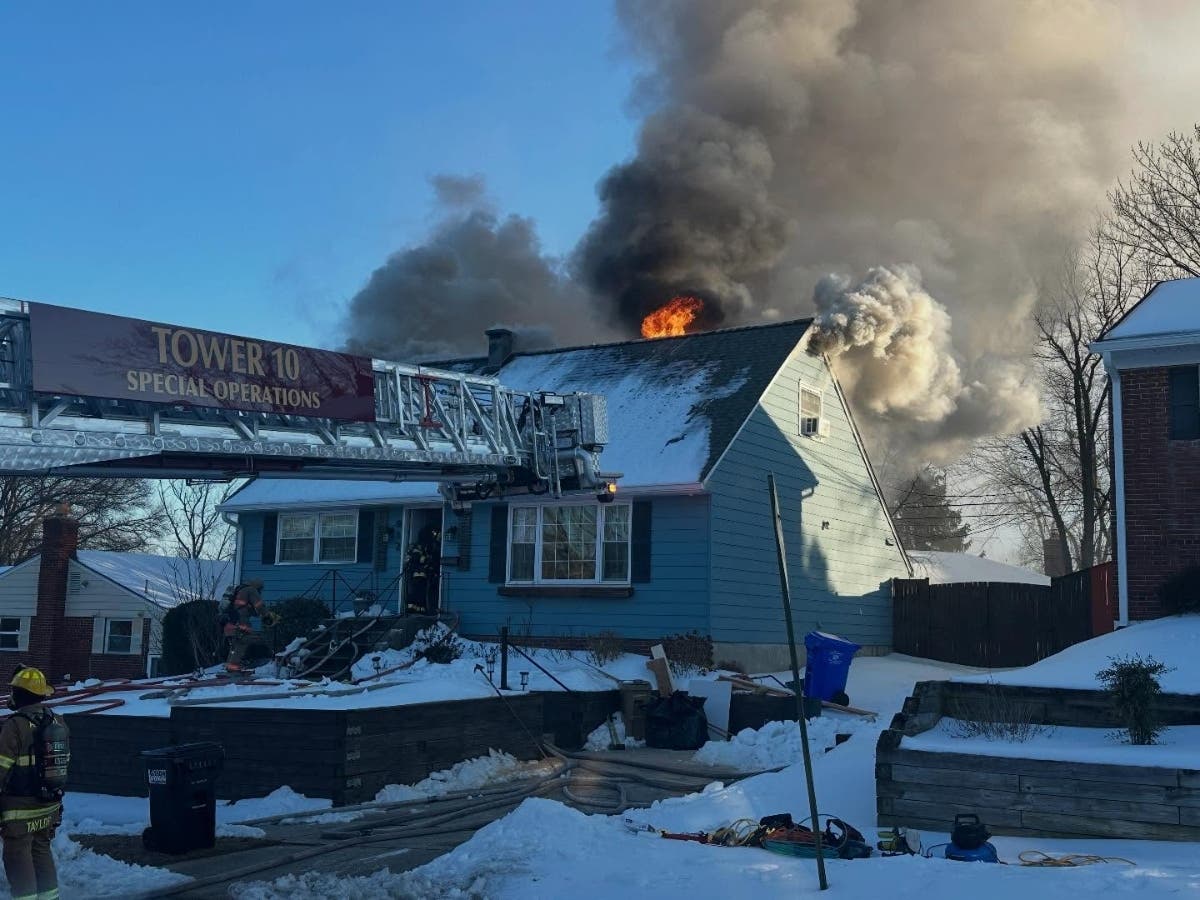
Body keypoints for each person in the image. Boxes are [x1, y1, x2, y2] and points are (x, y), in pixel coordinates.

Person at [0, 667, 69, 900]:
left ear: (20, 694)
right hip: (48, 805)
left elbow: (1, 767)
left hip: (19, 809)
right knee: (40, 850)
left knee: (18, 855)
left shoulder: (14, 725)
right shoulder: (57, 721)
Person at [223, 579, 276, 673]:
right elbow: (259, 606)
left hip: (230, 622)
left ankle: (229, 667)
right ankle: (233, 669)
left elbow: (251, 610)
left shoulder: (239, 590)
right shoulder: (251, 590)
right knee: (242, 644)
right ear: (258, 587)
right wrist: (270, 617)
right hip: (241, 623)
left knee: (234, 646)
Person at [404, 525, 441, 615]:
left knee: (421, 594)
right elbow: (419, 559)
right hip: (418, 574)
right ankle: (414, 610)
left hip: (422, 574)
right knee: (417, 593)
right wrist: (428, 560)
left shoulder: (426, 547)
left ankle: (421, 610)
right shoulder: (417, 547)